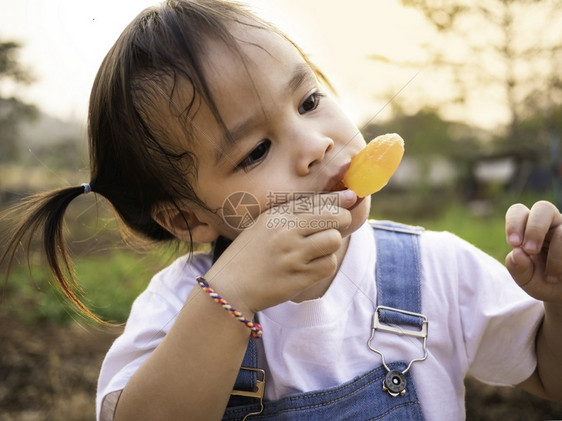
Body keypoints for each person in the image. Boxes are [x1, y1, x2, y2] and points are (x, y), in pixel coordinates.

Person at [2, 0, 561, 419]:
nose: (316, 143)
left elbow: (544, 372)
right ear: (188, 218)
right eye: (256, 150)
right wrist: (232, 298)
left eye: (310, 101)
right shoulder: (179, 307)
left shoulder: (435, 270)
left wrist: (557, 302)